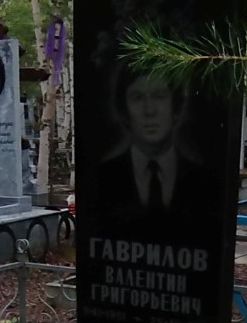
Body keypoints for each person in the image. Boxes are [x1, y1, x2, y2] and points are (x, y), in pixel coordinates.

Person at [92, 62, 219, 235]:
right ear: (124, 111)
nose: (149, 111)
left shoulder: (204, 182)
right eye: (137, 97)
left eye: (159, 96)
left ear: (176, 107)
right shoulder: (102, 180)